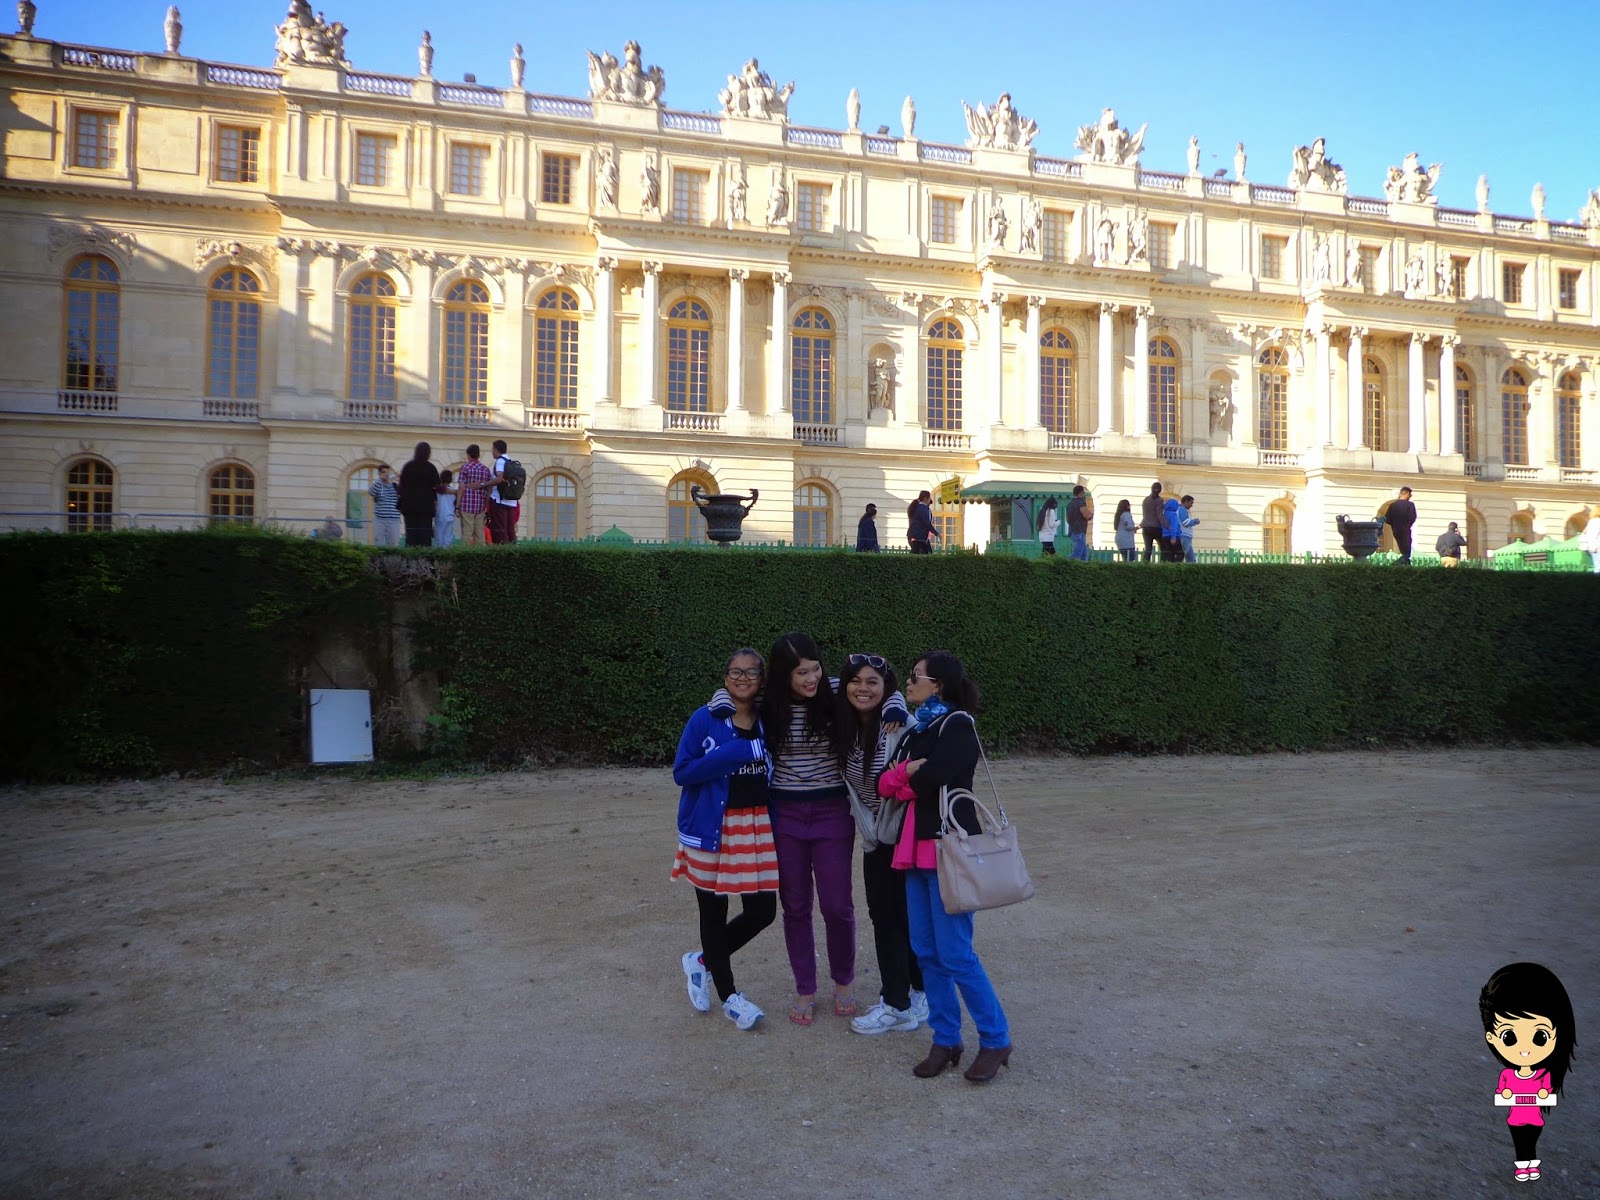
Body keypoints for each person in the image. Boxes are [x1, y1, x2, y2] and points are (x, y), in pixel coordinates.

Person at [877, 651, 1012, 1083]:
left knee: (956, 954)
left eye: (915, 676)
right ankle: (946, 1039)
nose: (908, 682)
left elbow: (934, 777)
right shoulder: (918, 727)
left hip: (948, 849)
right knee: (927, 952)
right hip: (914, 849)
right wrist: (907, 774)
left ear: (937, 684)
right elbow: (884, 783)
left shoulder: (958, 724)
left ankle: (996, 1039)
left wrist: (906, 777)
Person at [670, 649, 777, 1031]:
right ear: (725, 676)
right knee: (713, 913)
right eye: (736, 671)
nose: (743, 678)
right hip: (711, 827)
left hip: (756, 827)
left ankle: (702, 961)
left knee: (763, 912)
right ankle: (731, 997)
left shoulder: (769, 719)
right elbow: (682, 772)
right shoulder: (705, 718)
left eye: (751, 672)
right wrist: (734, 753)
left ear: (762, 678)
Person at [763, 633, 858, 1025]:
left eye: (815, 668)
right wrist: (719, 701)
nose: (811, 678)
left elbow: (880, 689)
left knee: (837, 905)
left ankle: (844, 982)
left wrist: (896, 707)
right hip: (785, 814)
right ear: (783, 675)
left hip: (832, 810)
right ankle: (805, 987)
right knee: (796, 906)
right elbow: (729, 698)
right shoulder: (768, 701)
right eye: (801, 672)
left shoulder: (835, 690)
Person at [833, 654, 925, 1036]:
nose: (863, 688)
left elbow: (925, 776)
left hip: (905, 836)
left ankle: (898, 1005)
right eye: (856, 680)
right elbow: (812, 686)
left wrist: (898, 704)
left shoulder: (902, 727)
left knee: (895, 920)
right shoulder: (845, 725)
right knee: (892, 918)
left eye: (873, 681)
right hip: (875, 837)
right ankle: (916, 993)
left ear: (886, 688)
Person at [1479, 963, 1577, 1184]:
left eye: (1540, 1037)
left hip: (1534, 1118)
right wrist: (1506, 1095)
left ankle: (1529, 1161)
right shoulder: (1508, 1076)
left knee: (1531, 1139)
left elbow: (1546, 1093)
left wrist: (1542, 1095)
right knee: (1520, 1140)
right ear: (1492, 1038)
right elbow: (1503, 1093)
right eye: (1510, 1037)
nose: (1524, 1049)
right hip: (1516, 1118)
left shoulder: (1543, 1074)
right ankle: (1524, 1165)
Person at [397, 441, 439, 547]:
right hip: (426, 507)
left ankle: (411, 556)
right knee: (425, 536)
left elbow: (401, 486)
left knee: (411, 535)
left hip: (409, 506)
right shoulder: (431, 468)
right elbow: (437, 486)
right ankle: (424, 556)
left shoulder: (408, 466)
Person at [455, 444, 492, 546]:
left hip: (466, 505)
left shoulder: (465, 468)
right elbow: (489, 489)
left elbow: (461, 487)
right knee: (479, 533)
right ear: (478, 455)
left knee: (467, 532)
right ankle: (480, 553)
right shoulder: (486, 470)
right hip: (480, 505)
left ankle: (466, 553)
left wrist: (457, 506)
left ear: (468, 455)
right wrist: (486, 504)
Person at [484, 439, 519, 546]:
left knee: (499, 529)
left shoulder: (500, 461)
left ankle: (501, 550)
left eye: (492, 449)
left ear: (496, 449)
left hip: (499, 500)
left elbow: (499, 478)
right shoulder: (510, 461)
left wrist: (483, 484)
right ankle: (512, 549)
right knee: (509, 528)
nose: (492, 452)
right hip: (511, 501)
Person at [368, 464, 402, 547]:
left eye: (387, 472)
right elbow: (371, 492)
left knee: (394, 543)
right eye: (384, 472)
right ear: (379, 474)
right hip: (379, 519)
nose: (386, 474)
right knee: (378, 542)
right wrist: (380, 480)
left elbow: (404, 494)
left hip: (394, 519)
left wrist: (401, 480)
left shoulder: (394, 486)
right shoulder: (377, 485)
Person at [1384, 486, 1418, 565]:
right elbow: (1412, 517)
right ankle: (1396, 564)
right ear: (1407, 494)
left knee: (1403, 551)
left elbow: (1387, 519)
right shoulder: (1410, 505)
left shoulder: (1393, 505)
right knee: (1407, 553)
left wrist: (1394, 524)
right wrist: (1409, 524)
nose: (1410, 496)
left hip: (1396, 530)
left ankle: (1405, 564)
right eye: (1410, 495)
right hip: (1405, 530)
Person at [907, 491, 940, 555]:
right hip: (920, 537)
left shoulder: (914, 507)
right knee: (926, 554)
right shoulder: (924, 509)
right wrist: (936, 533)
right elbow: (927, 523)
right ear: (925, 498)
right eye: (929, 498)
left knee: (916, 554)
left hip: (912, 535)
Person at [1140, 480, 1164, 563]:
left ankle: (1144, 564)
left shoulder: (1146, 500)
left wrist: (1140, 525)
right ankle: (1163, 565)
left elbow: (1145, 514)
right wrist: (1167, 525)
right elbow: (1160, 515)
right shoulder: (1159, 500)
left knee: (1148, 549)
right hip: (1156, 527)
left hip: (1146, 527)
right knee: (1163, 548)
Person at [1064, 486, 1090, 561]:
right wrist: (1092, 514)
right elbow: (1087, 515)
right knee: (1078, 553)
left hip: (1072, 530)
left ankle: (1082, 567)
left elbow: (1068, 519)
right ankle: (1064, 563)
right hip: (1080, 530)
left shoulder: (1070, 504)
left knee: (1084, 553)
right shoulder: (1081, 502)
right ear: (1081, 493)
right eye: (1083, 493)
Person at [433, 469, 457, 548]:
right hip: (450, 515)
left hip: (440, 515)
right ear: (451, 479)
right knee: (448, 539)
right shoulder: (453, 492)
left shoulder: (438, 490)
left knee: (438, 539)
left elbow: (435, 503)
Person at [1160, 494, 1186, 562]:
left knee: (1168, 555)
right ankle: (1174, 565)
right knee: (1180, 554)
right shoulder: (1173, 514)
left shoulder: (1164, 514)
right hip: (1173, 537)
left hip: (1164, 537)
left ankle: (1168, 565)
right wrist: (1173, 537)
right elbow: (1173, 526)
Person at [1179, 495, 1200, 563]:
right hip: (1184, 536)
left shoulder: (1181, 509)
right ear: (1186, 501)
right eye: (1191, 503)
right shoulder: (1182, 510)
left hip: (1184, 536)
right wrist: (1195, 521)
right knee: (1191, 559)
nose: (1191, 505)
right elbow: (1185, 522)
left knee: (1185, 557)